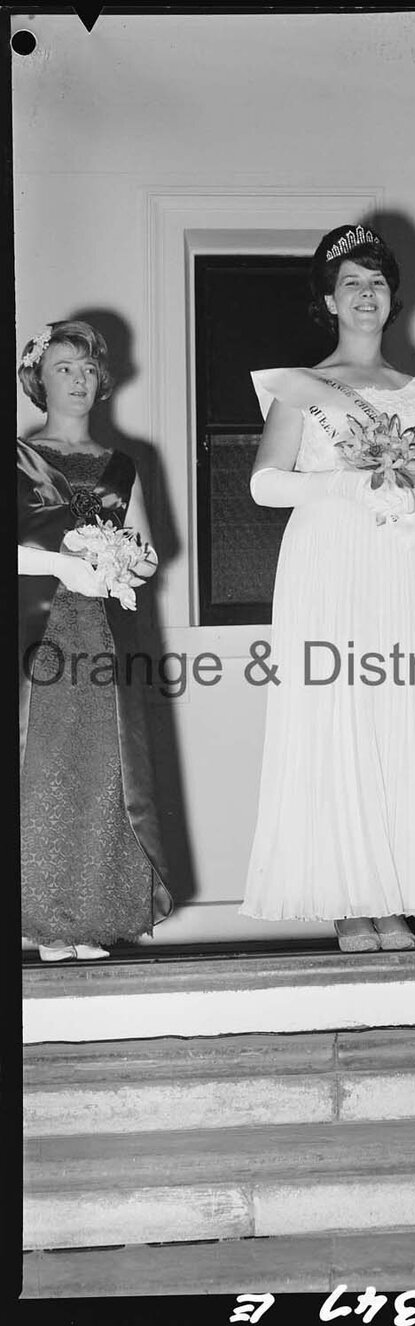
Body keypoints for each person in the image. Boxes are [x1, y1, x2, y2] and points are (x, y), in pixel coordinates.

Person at [240, 225, 415, 951]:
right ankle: (351, 899)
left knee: (398, 712)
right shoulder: (301, 387)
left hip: (397, 559)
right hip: (327, 557)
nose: (365, 295)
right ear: (329, 298)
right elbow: (264, 484)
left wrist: (412, 502)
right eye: (351, 282)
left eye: (377, 284)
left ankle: (395, 896)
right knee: (337, 715)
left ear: (393, 301)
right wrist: (353, 484)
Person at [18, 320, 172, 961]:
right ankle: (44, 918)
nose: (78, 381)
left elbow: (147, 549)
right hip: (40, 634)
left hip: (106, 634)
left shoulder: (123, 464)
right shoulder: (15, 456)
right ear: (38, 379)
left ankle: (88, 915)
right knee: (45, 769)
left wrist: (130, 563)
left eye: (86, 369)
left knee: (106, 771)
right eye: (63, 368)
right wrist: (62, 562)